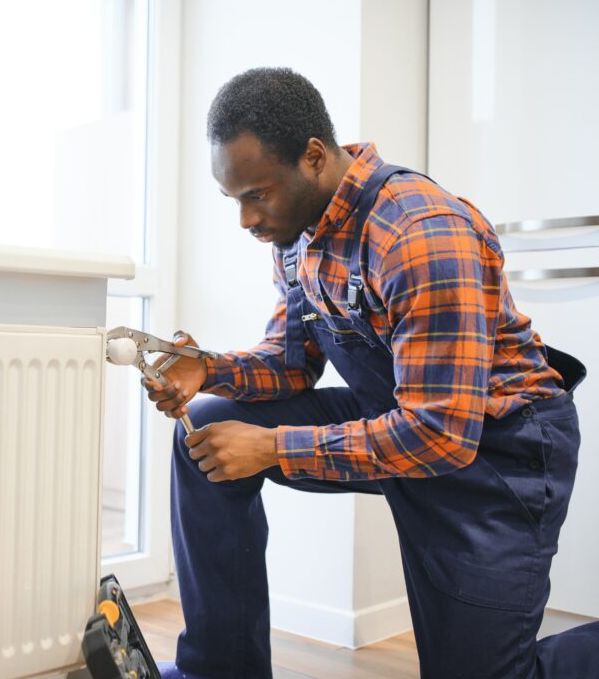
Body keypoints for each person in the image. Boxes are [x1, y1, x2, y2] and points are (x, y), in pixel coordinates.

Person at [147, 67, 598, 679]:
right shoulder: (298, 236)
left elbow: (441, 433)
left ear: (312, 158)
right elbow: (289, 363)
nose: (246, 221)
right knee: (208, 423)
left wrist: (275, 447)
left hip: (495, 451)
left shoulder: (418, 234)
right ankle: (217, 670)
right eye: (235, 200)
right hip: (401, 417)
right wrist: (209, 370)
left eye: (257, 195)